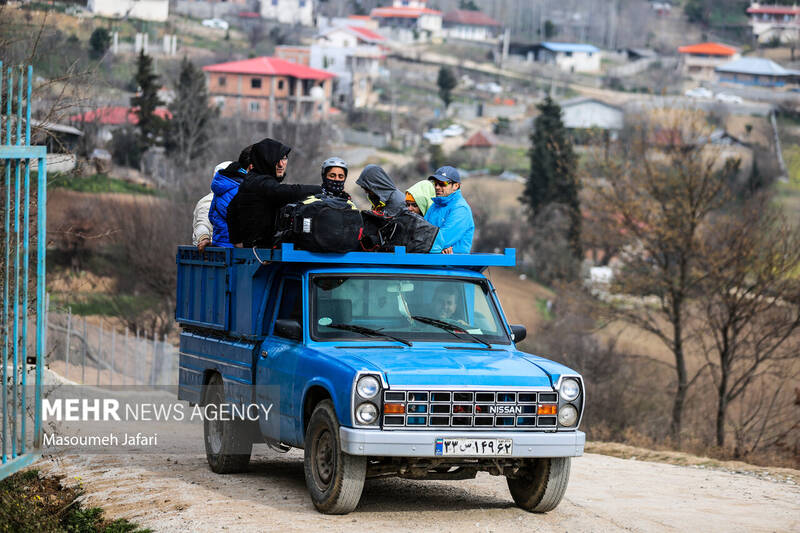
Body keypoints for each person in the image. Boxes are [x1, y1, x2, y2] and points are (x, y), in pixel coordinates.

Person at [226, 138, 322, 248]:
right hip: (260, 252)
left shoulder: (252, 180)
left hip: (259, 250)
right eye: (275, 159)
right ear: (264, 161)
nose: (281, 164)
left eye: (284, 158)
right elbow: (286, 192)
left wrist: (237, 240)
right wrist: (321, 190)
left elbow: (231, 209)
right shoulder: (259, 182)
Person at [209, 146, 253, 248]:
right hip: (235, 250)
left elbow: (211, 216)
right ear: (251, 167)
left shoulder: (224, 186)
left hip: (220, 244)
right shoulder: (242, 189)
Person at [424, 166, 474, 254]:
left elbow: (442, 240)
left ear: (456, 186)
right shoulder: (435, 205)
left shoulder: (461, 209)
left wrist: (417, 244)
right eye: (435, 183)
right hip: (434, 262)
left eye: (442, 183)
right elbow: (421, 231)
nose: (437, 187)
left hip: (452, 265)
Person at [193, 160, 233, 252]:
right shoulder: (208, 202)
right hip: (211, 255)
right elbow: (202, 224)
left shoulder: (234, 198)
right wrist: (204, 238)